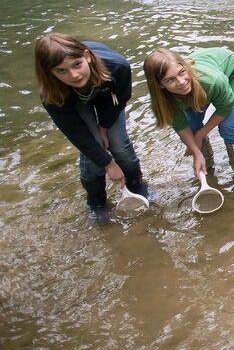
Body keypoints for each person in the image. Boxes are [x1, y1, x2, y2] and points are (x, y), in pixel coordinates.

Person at [35, 33, 151, 225]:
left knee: (119, 143)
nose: (73, 75)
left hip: (107, 95)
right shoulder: (50, 94)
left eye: (77, 64)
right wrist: (109, 164)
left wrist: (104, 127)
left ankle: (136, 184)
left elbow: (120, 100)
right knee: (93, 148)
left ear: (87, 56)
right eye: (61, 71)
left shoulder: (118, 67)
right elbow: (76, 132)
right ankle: (96, 202)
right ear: (50, 73)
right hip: (74, 101)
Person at [144, 47, 234, 178]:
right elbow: (181, 125)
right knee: (192, 128)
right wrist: (195, 150)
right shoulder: (164, 99)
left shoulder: (213, 81)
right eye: (170, 80)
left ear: (185, 67)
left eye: (181, 72)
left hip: (231, 69)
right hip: (199, 87)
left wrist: (199, 135)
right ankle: (207, 165)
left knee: (227, 126)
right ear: (159, 85)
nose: (181, 82)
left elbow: (224, 109)